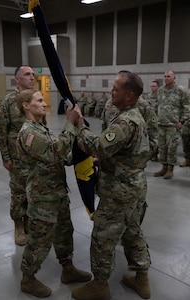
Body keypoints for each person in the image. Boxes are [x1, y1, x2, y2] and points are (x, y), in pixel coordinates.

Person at [71, 71, 151, 300]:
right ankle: (142, 279)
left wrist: (79, 124)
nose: (111, 91)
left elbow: (97, 146)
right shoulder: (134, 115)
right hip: (135, 186)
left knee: (103, 237)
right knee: (133, 232)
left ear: (129, 95)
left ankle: (100, 286)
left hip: (119, 192)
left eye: (116, 89)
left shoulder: (125, 122)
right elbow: (127, 153)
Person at [16, 89, 92, 298]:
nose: (44, 103)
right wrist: (69, 122)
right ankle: (28, 279)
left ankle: (68, 269)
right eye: (39, 100)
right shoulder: (28, 133)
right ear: (26, 105)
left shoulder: (42, 129)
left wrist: (83, 156)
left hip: (57, 194)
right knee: (39, 241)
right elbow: (55, 151)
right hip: (42, 199)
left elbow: (62, 156)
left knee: (64, 233)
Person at [0, 65, 38, 246]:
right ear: (17, 79)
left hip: (35, 157)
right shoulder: (7, 102)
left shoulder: (36, 98)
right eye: (27, 74)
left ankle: (30, 224)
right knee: (19, 193)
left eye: (33, 74)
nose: (32, 77)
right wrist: (6, 157)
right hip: (17, 158)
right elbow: (0, 132)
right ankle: (18, 226)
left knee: (33, 192)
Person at [154, 70, 190, 179]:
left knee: (172, 148)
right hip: (161, 124)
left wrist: (182, 121)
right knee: (162, 148)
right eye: (165, 76)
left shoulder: (181, 90)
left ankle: (170, 169)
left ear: (174, 78)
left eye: (169, 76)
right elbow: (156, 106)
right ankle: (164, 167)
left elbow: (187, 107)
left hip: (173, 125)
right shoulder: (160, 91)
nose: (166, 78)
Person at [145, 80, 160, 161]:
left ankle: (156, 154)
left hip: (158, 120)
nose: (152, 88)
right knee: (150, 138)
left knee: (156, 139)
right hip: (149, 121)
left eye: (154, 86)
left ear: (158, 87)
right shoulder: (148, 96)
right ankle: (152, 154)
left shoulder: (161, 97)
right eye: (151, 86)